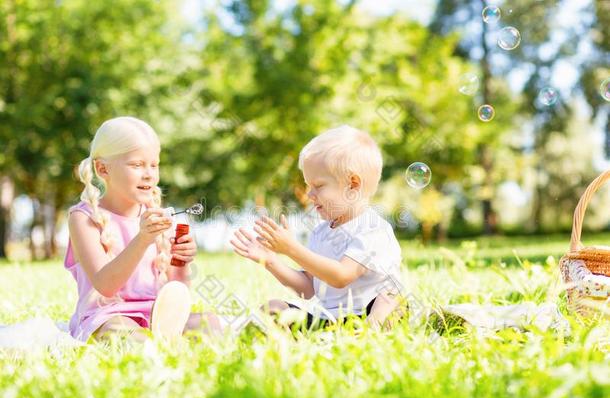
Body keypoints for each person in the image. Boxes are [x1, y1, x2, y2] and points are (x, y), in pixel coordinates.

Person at [231, 125, 404, 329]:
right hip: (331, 321)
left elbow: (341, 276)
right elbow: (307, 289)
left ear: (353, 185)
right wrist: (271, 261)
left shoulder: (373, 229)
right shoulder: (321, 233)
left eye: (318, 186)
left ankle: (371, 336)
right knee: (274, 307)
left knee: (391, 300)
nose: (309, 195)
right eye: (308, 186)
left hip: (370, 315)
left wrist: (291, 248)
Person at [66, 116, 217, 342]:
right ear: (102, 169)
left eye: (154, 165)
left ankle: (164, 342)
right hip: (107, 317)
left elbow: (175, 291)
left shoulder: (155, 215)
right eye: (137, 165)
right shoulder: (84, 218)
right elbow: (106, 286)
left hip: (156, 314)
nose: (149, 174)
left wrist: (181, 262)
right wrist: (143, 239)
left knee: (210, 324)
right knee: (127, 335)